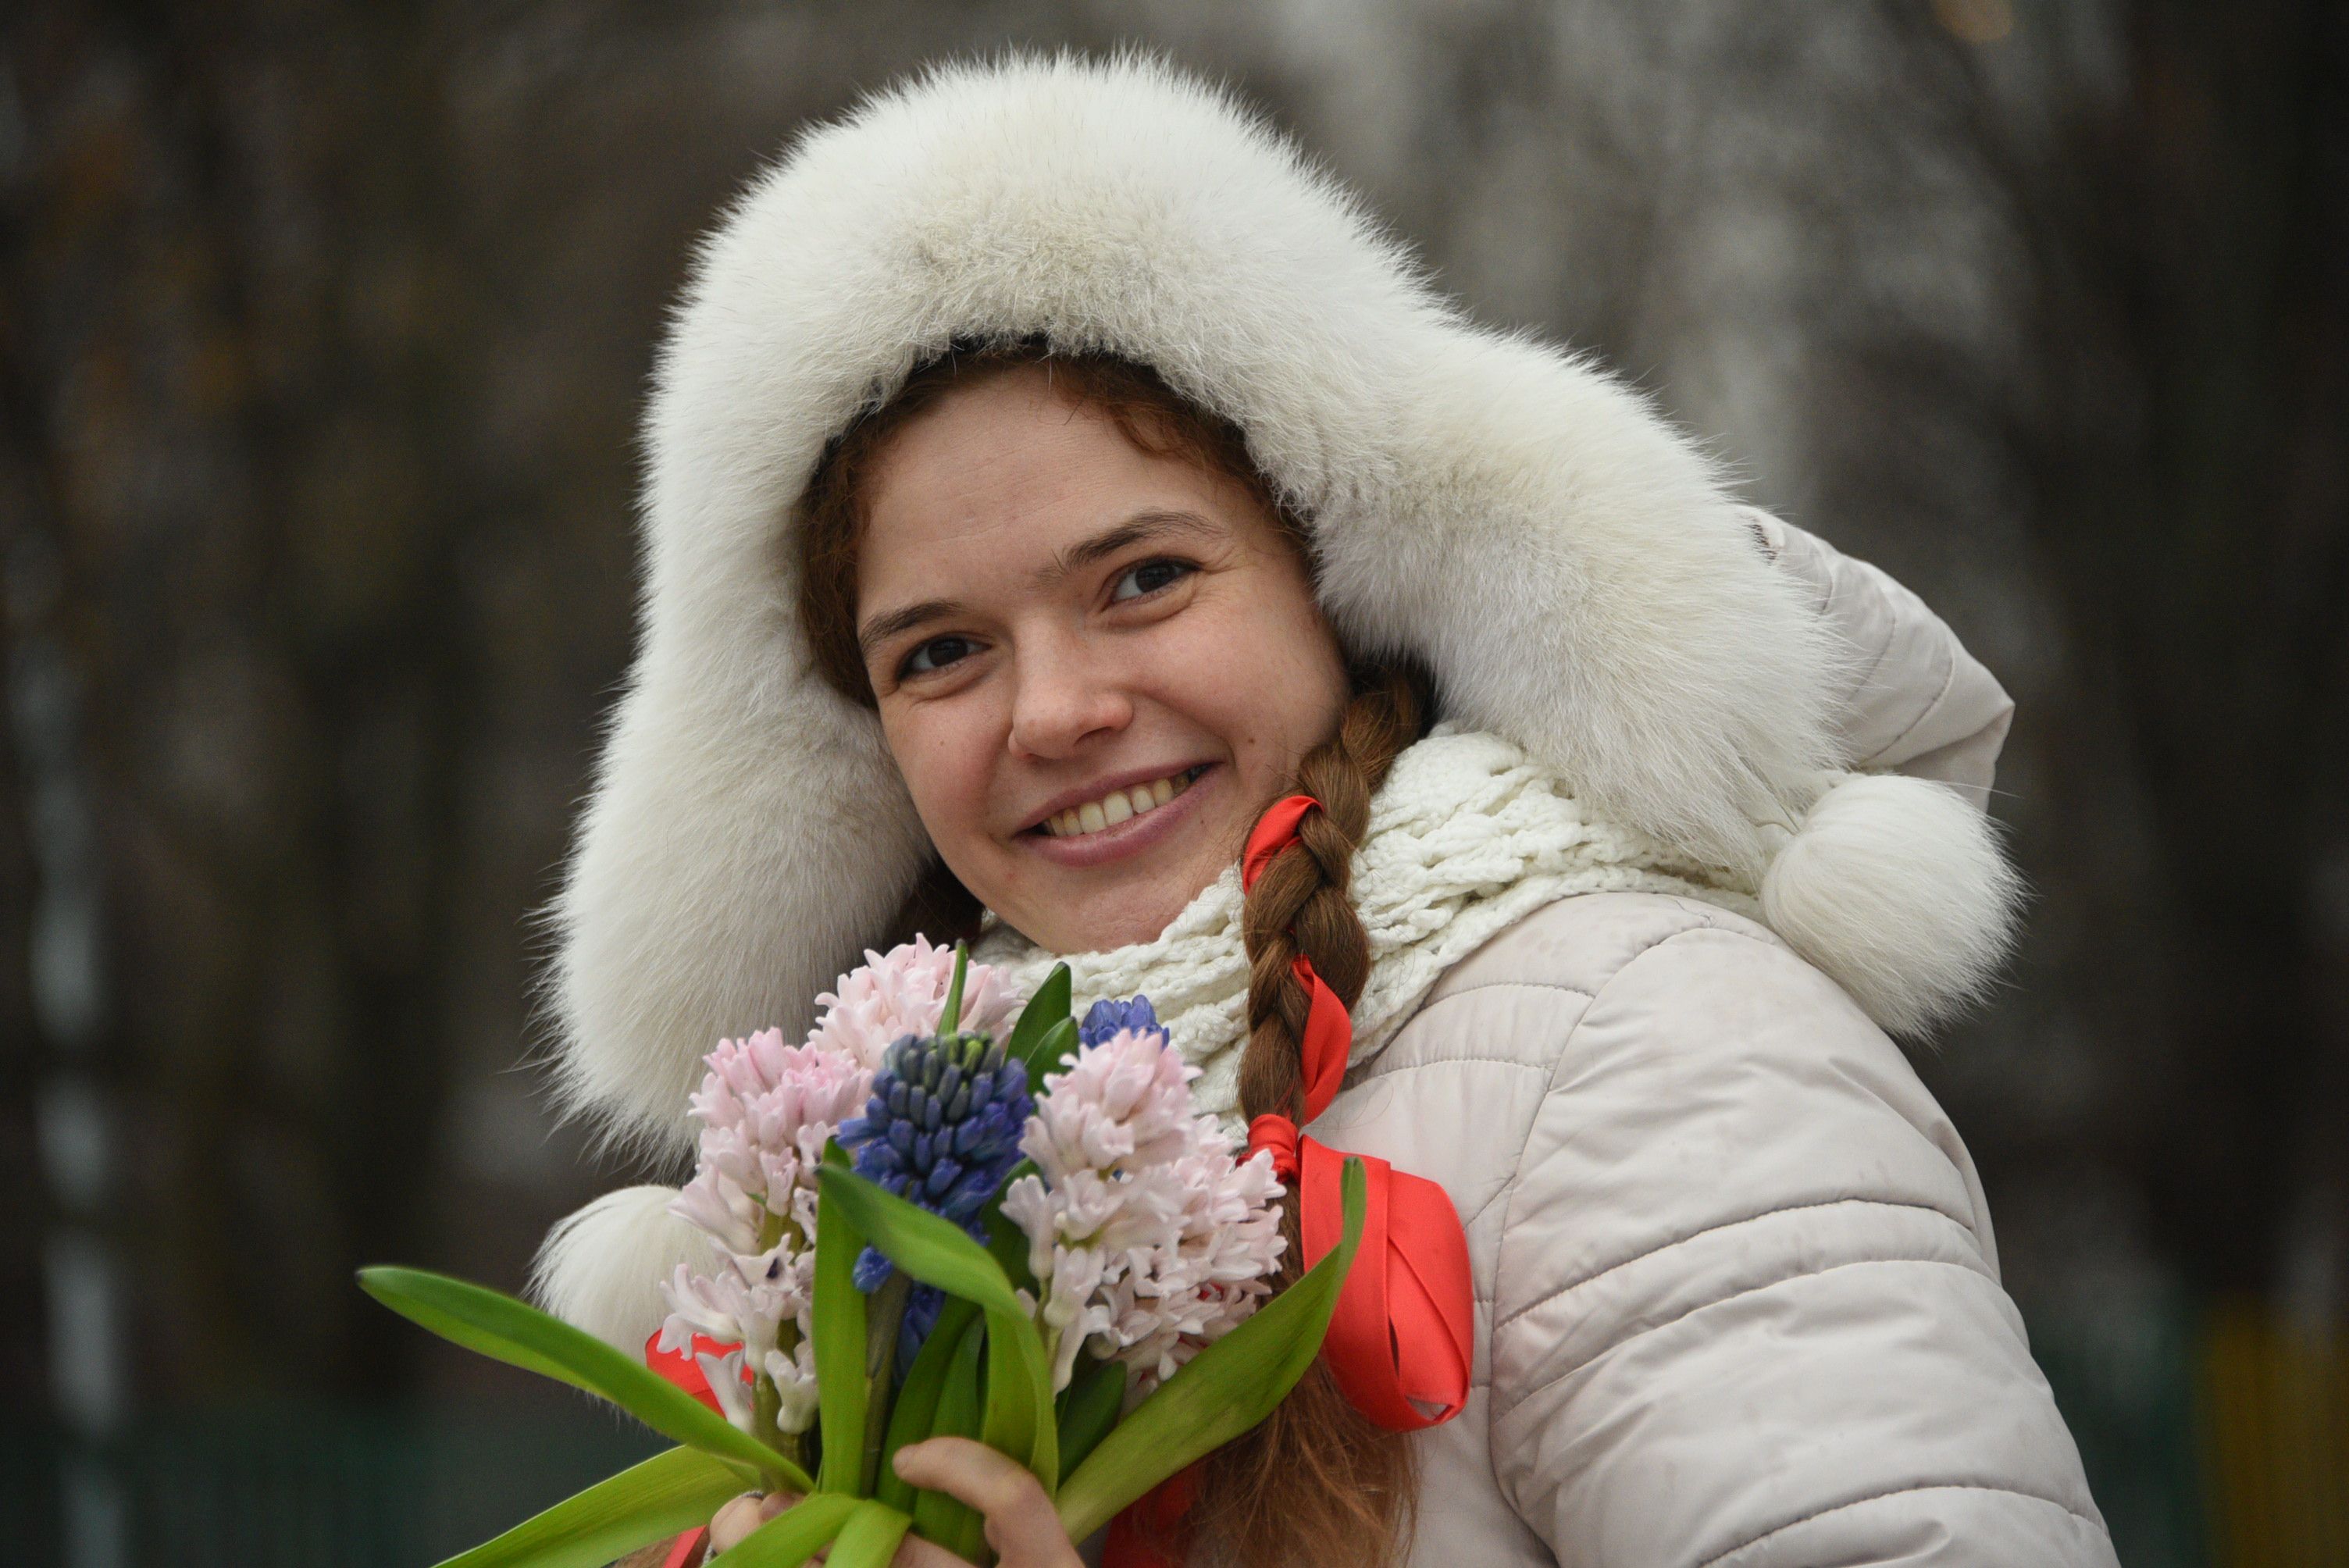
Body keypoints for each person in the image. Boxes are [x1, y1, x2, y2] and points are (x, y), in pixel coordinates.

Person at [533, 55, 2118, 1568]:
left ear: (1340, 574)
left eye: (1143, 577)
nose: (1055, 710)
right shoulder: (887, 1175)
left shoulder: (1654, 1046)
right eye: (938, 651)